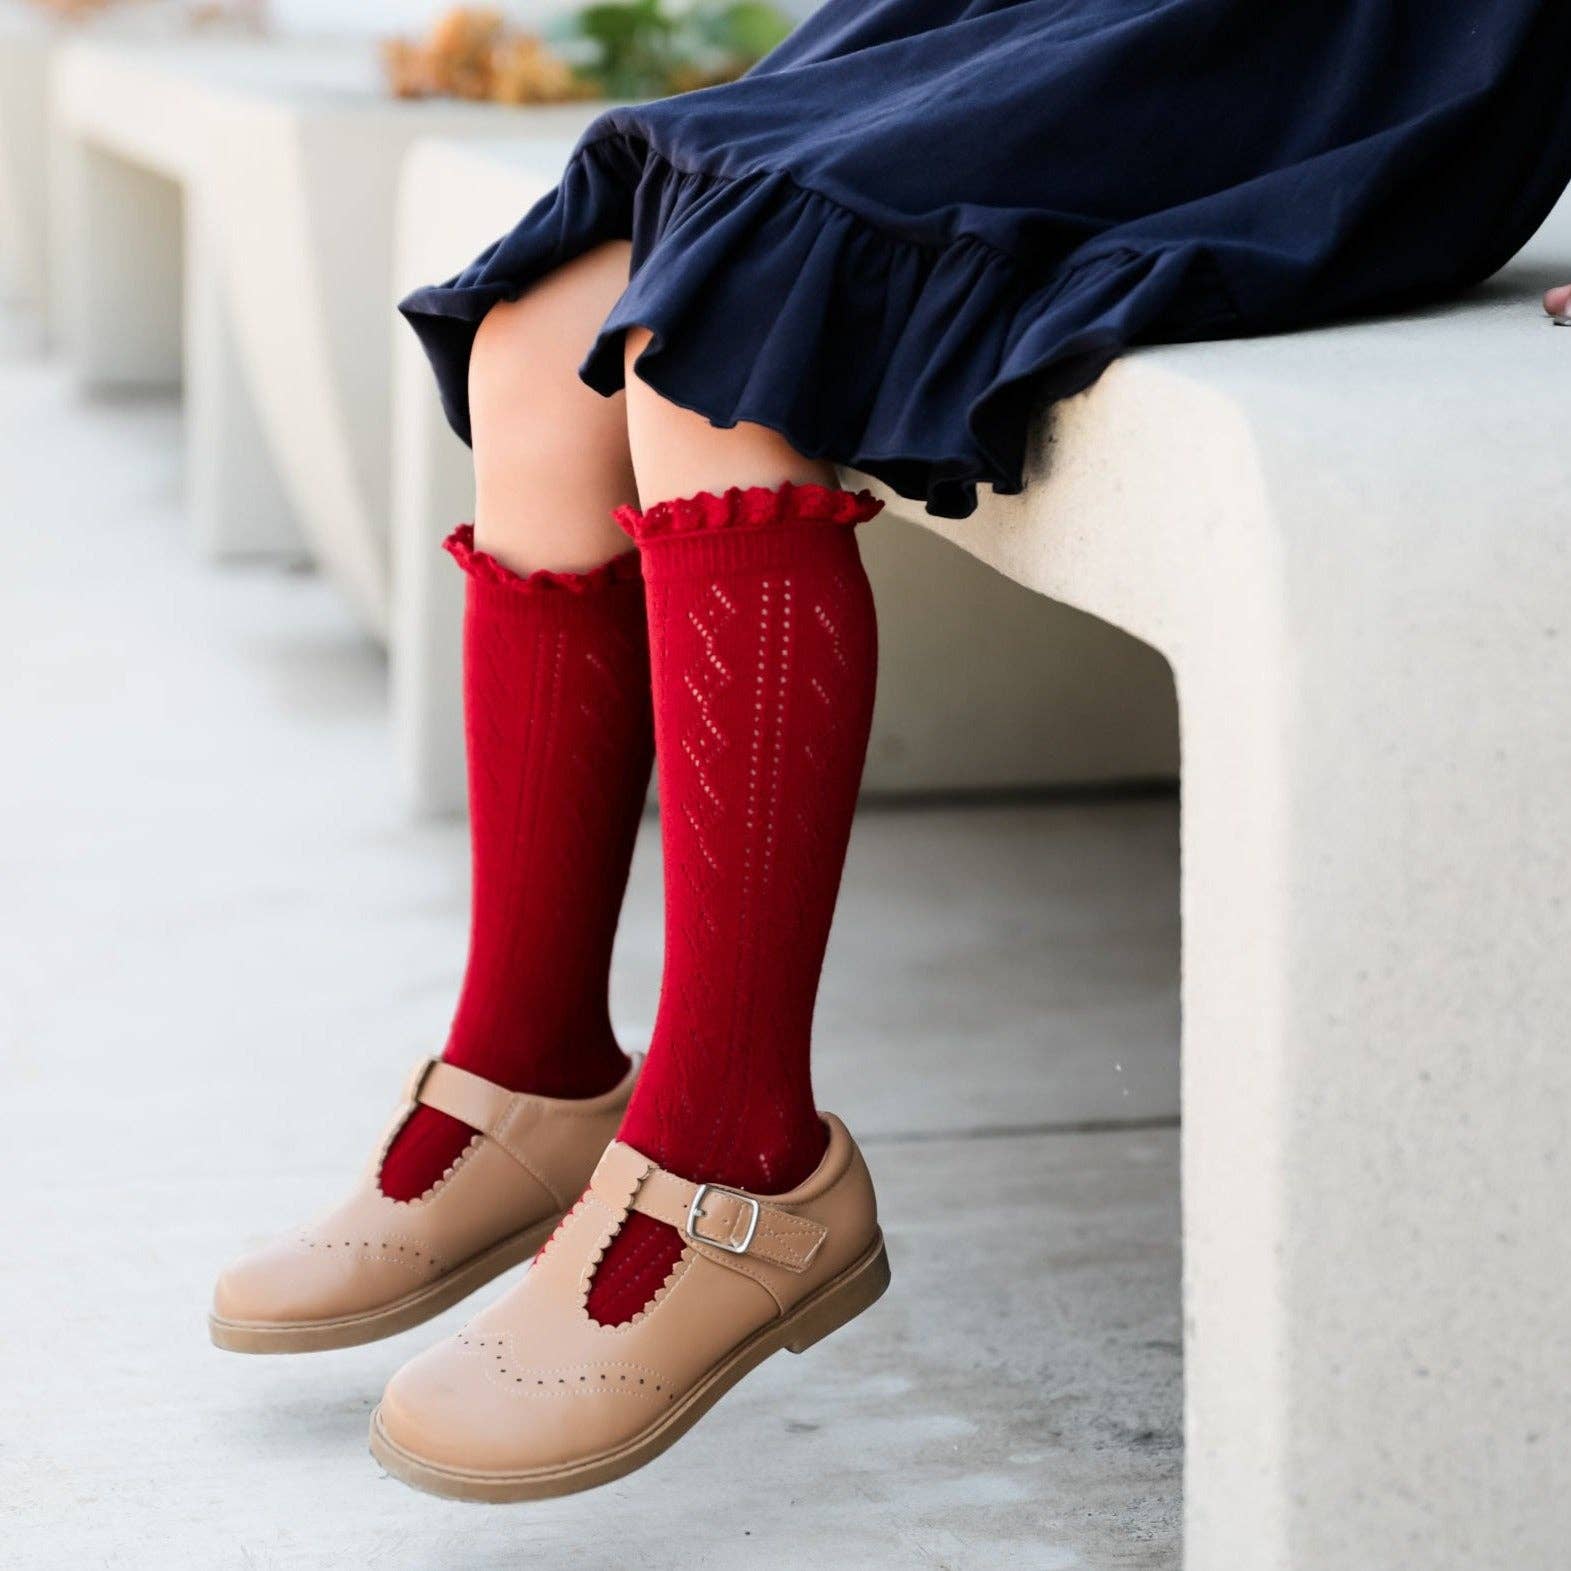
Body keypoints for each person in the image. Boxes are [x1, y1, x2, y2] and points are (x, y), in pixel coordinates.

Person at [210, 0, 1571, 1502]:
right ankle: (529, 1067)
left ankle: (739, 1156)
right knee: (545, 355)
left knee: (701, 356)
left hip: (1357, 50)